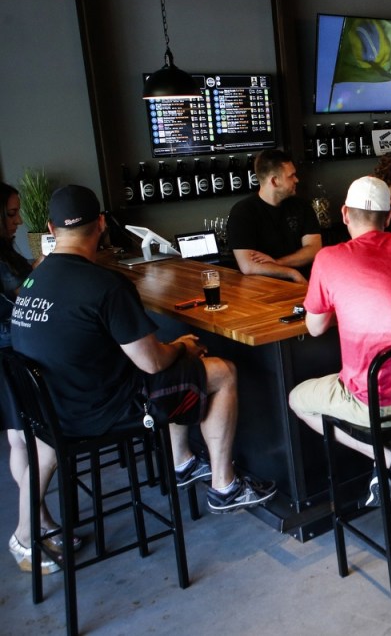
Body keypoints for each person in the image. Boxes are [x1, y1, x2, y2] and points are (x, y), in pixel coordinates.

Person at [11, 185, 276, 515]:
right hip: (100, 413)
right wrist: (179, 347)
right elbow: (152, 363)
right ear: (102, 224)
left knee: (181, 371)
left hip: (53, 407)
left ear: (51, 230)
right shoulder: (104, 285)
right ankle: (225, 487)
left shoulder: (35, 280)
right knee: (221, 372)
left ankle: (183, 462)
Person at [289, 177, 391, 507]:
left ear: (345, 213)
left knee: (298, 400)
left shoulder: (330, 259)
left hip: (381, 399)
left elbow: (315, 328)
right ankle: (384, 471)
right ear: (389, 217)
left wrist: (345, 302)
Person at [0, 182, 66, 574]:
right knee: (39, 441)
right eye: (10, 214)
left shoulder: (5, 251)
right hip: (12, 355)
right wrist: (40, 271)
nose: (18, 220)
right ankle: (25, 536)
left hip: (12, 355)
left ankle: (40, 524)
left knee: (20, 441)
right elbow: (19, 298)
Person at [227, 149, 322, 283]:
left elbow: (314, 249)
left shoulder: (302, 206)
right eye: (291, 176)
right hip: (265, 290)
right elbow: (248, 266)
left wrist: (277, 262)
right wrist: (292, 273)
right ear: (274, 181)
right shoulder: (243, 212)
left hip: (305, 285)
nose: (297, 179)